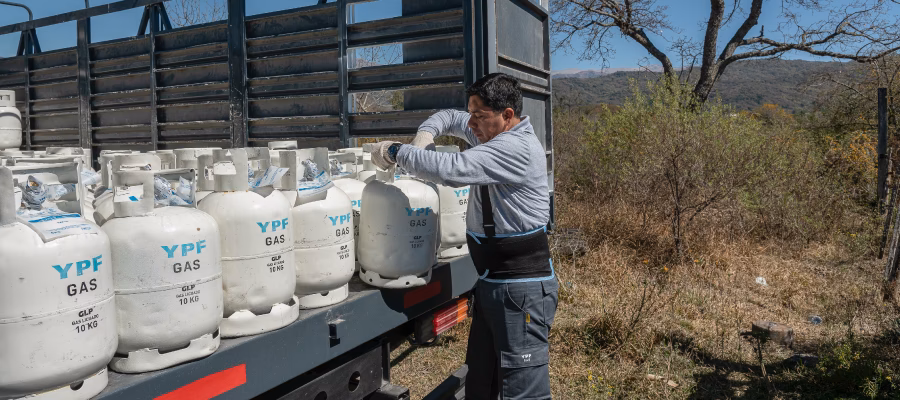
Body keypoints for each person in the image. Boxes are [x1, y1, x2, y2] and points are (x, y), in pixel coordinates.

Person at [370, 73, 558, 400]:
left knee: (521, 390)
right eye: (471, 113)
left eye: (480, 116)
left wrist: (396, 151)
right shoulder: (488, 131)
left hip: (521, 288)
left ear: (508, 116)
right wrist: (424, 135)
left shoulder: (514, 148)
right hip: (492, 283)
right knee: (483, 381)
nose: (471, 123)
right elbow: (447, 117)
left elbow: (452, 170)